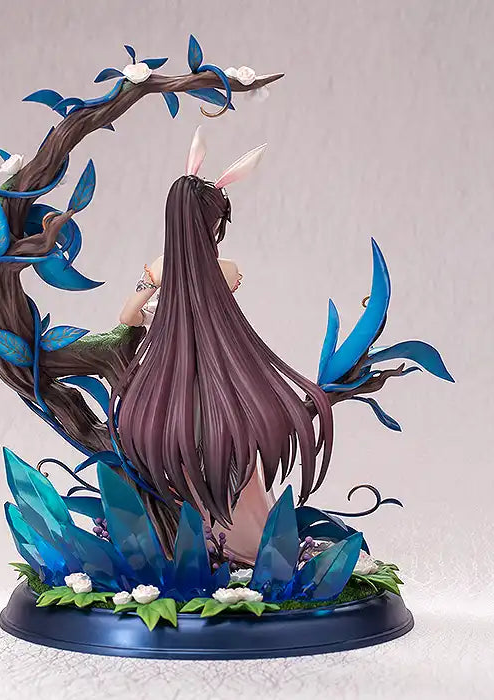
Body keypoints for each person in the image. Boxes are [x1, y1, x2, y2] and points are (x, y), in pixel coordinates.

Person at [112, 129, 333, 564]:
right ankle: (245, 542)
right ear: (212, 224)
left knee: (178, 455)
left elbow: (126, 317)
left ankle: (195, 544)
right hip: (219, 383)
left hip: (169, 383)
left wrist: (153, 319)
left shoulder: (159, 268)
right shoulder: (228, 271)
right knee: (229, 454)